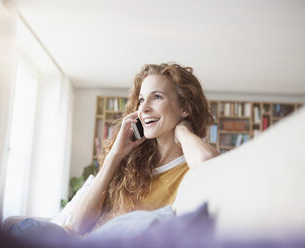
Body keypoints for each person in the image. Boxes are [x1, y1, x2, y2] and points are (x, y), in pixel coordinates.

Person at [66, 63, 220, 236]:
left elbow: (209, 165)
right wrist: (114, 157)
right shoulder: (129, 161)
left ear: (184, 108)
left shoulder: (190, 167)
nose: (143, 108)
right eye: (141, 99)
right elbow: (78, 225)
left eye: (157, 97)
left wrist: (183, 131)